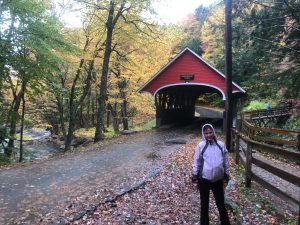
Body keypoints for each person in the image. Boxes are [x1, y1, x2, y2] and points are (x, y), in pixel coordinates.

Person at [191, 124, 231, 225]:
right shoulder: (201, 146)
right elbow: (197, 162)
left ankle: (225, 223)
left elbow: (226, 161)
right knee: (204, 205)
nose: (209, 135)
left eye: (210, 132)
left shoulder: (220, 145)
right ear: (203, 134)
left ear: (213, 132)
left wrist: (226, 174)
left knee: (221, 204)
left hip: (218, 180)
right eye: (206, 133)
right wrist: (194, 176)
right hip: (204, 180)